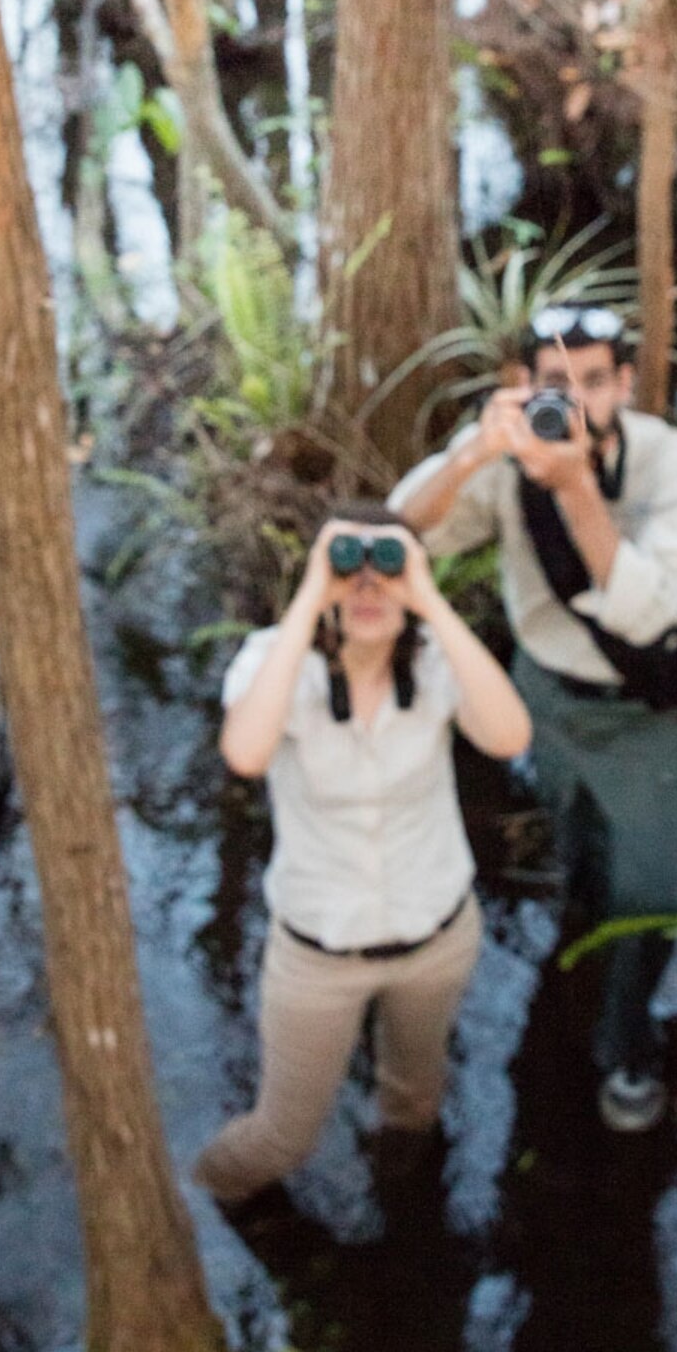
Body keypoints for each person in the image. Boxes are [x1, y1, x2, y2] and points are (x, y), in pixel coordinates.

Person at [391, 306, 677, 1135]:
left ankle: (626, 1043)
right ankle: (577, 929)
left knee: (648, 890)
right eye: (552, 385)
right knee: (576, 842)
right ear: (520, 388)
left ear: (625, 386)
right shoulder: (506, 466)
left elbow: (647, 616)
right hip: (542, 693)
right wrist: (473, 453)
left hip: (638, 707)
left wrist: (574, 486)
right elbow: (403, 534)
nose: (573, 401)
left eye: (593, 382)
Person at [193, 502, 532, 1204]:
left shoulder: (438, 663)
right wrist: (315, 593)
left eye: (390, 571)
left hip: (436, 938)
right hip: (318, 956)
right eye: (353, 570)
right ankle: (198, 1202)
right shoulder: (276, 663)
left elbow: (506, 737)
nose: (369, 589)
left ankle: (403, 1199)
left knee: (414, 1100)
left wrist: (428, 600)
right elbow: (246, 752)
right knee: (283, 1136)